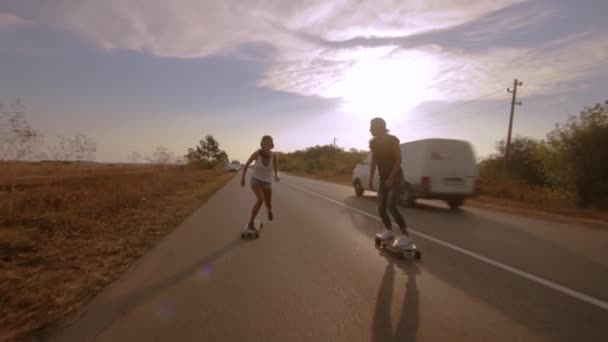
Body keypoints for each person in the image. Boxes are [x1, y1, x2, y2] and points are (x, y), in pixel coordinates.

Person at [368, 117, 414, 248]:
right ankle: (388, 231)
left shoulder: (392, 140)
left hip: (396, 177)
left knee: (391, 207)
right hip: (383, 178)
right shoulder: (373, 143)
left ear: (380, 127)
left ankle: (406, 237)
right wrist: (371, 178)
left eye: (372, 127)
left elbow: (398, 160)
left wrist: (391, 177)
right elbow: (374, 161)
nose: (370, 129)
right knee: (381, 207)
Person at [241, 135, 279, 231]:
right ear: (261, 145)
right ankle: (251, 222)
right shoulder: (256, 154)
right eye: (264, 143)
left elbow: (275, 167)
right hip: (256, 179)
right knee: (260, 199)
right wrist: (243, 179)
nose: (266, 145)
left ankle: (269, 210)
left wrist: (276, 175)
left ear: (271, 145)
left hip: (267, 181)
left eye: (268, 144)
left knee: (268, 203)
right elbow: (246, 165)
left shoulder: (274, 156)